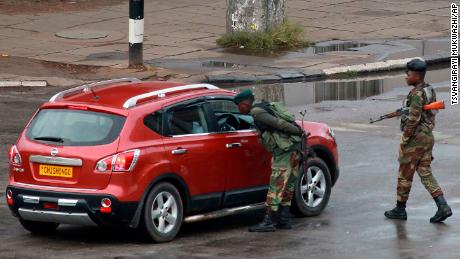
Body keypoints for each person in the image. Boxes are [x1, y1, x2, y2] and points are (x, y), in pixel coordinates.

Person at [384, 59, 452, 223]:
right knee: (424, 172)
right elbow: (428, 112)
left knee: (404, 174)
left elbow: (413, 119)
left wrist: (405, 139)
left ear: (416, 75)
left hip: (416, 139)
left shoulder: (416, 94)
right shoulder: (429, 90)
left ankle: (400, 209)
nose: (406, 77)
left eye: (408, 74)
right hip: (427, 136)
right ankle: (442, 206)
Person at [233, 89, 305, 232]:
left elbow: (279, 124)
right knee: (288, 186)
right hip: (293, 150)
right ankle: (284, 220)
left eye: (239, 105)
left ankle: (269, 221)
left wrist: (299, 131)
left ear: (245, 103)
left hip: (283, 152)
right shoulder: (264, 107)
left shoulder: (257, 112)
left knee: (276, 187)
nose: (238, 109)